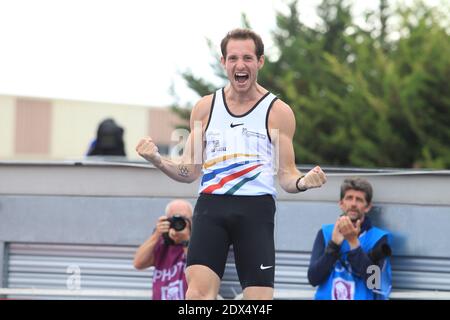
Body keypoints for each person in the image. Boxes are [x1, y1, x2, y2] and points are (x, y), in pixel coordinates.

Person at [136, 28, 327, 300]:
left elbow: (286, 176)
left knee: (258, 301)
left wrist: (303, 182)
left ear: (260, 62)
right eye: (233, 58)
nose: (240, 65)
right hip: (212, 206)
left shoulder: (278, 112)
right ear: (223, 62)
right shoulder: (204, 108)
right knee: (198, 296)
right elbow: (189, 171)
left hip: (256, 210)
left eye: (248, 58)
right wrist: (156, 159)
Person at [307, 178, 392, 300]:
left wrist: (353, 243)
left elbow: (375, 283)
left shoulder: (378, 238)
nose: (353, 203)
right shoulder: (325, 232)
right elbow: (313, 279)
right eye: (349, 198)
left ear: (367, 207)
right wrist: (334, 245)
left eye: (359, 199)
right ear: (341, 203)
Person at [133, 199, 193, 300]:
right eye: (175, 218)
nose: (179, 223)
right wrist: (157, 233)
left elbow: (198, 269)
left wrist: (186, 241)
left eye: (184, 218)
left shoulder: (199, 242)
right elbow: (138, 263)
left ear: (191, 220)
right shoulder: (162, 244)